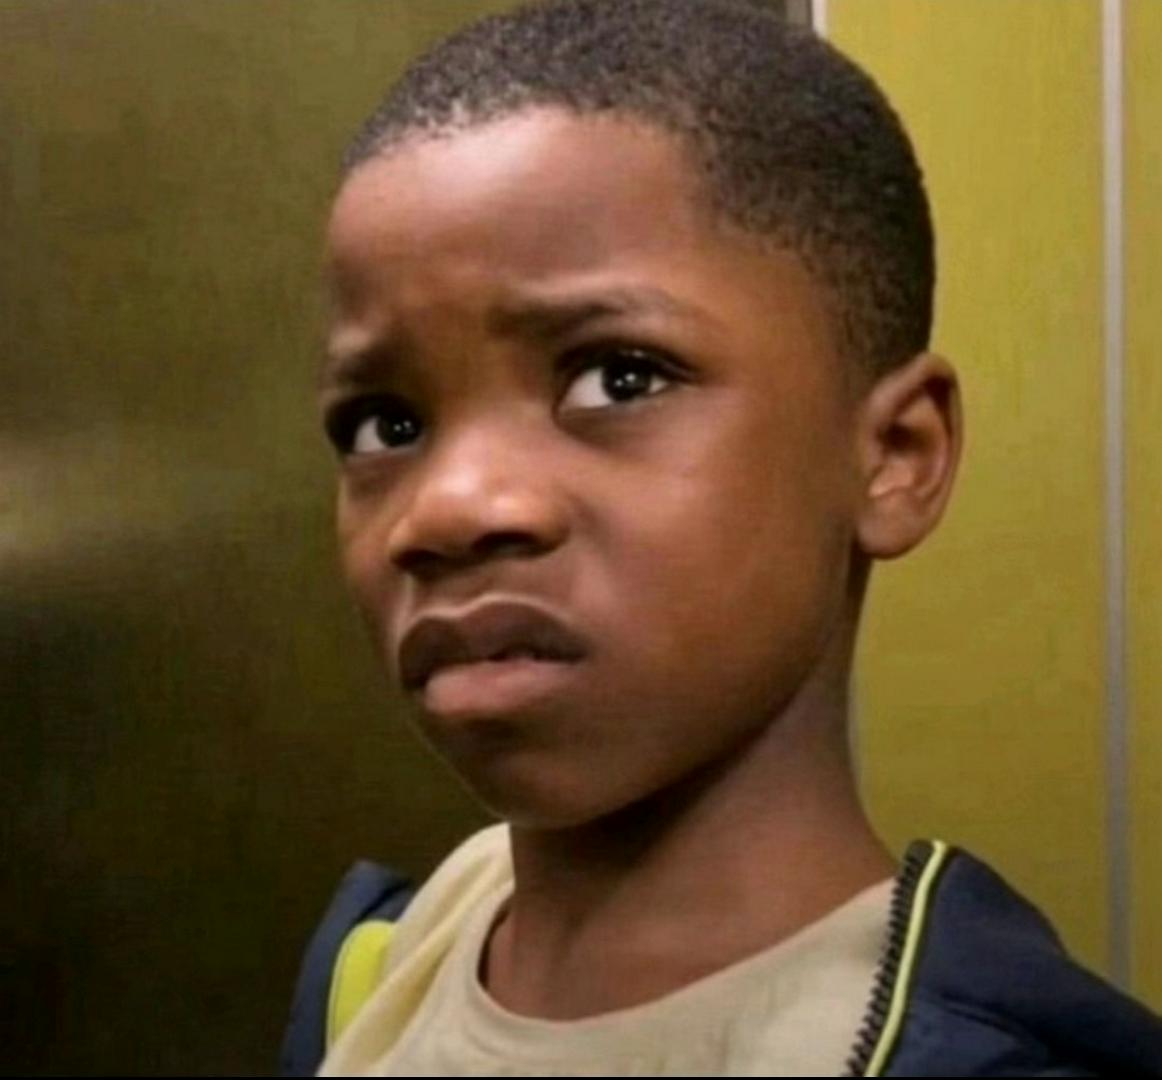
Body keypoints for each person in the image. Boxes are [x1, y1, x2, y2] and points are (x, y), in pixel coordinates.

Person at [295, 0, 1162, 1074]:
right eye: (386, 426)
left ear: (895, 454)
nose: (448, 508)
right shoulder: (387, 966)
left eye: (618, 378)